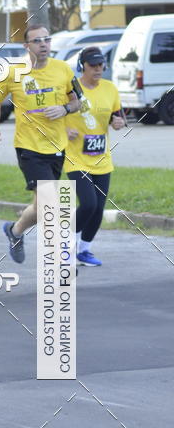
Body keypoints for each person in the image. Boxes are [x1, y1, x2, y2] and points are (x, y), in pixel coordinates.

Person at [0, 24, 82, 263]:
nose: (43, 44)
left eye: (47, 40)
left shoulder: (63, 69)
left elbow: (77, 101)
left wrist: (64, 109)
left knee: (41, 206)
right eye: (37, 41)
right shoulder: (14, 72)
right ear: (26, 46)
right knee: (50, 202)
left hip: (57, 146)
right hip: (29, 147)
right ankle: (61, 259)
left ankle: (15, 231)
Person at [64, 47, 125, 266]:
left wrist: (118, 123)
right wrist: (63, 130)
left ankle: (84, 250)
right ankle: (66, 244)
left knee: (98, 209)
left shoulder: (110, 89)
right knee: (88, 204)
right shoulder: (71, 88)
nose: (98, 69)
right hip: (75, 158)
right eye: (93, 65)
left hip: (102, 158)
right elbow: (52, 116)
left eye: (101, 65)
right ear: (83, 66)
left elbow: (118, 117)